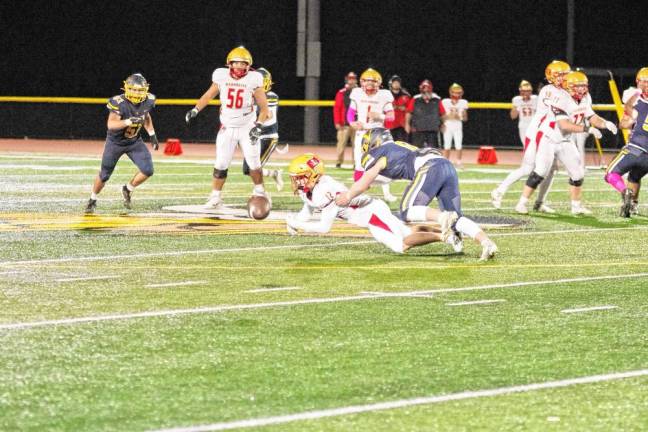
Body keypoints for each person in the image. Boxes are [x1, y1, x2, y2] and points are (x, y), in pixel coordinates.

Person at [336, 128, 498, 261]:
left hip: (430, 167)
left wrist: (348, 195)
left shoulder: (379, 152)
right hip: (446, 166)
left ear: (374, 142)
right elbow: (383, 177)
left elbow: (365, 181)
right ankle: (486, 242)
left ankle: (443, 218)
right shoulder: (397, 147)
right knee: (456, 218)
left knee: (408, 210)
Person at [285, 153, 442, 253]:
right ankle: (445, 230)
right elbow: (308, 211)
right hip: (371, 210)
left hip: (372, 214)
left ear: (313, 175)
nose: (297, 182)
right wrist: (296, 221)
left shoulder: (324, 191)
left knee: (401, 245)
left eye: (300, 177)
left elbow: (324, 228)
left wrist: (298, 224)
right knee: (407, 232)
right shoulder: (310, 190)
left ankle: (445, 236)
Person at [514, 71, 617, 215]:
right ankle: (521, 203)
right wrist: (588, 129)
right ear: (568, 87)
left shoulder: (585, 97)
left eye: (584, 86)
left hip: (565, 140)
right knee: (541, 171)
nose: (582, 89)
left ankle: (576, 207)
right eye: (578, 86)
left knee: (578, 173)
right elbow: (564, 125)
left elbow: (591, 116)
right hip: (548, 139)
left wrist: (605, 123)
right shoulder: (560, 98)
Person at [185, 46, 269, 208]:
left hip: (247, 126)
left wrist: (258, 126)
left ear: (248, 65)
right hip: (228, 127)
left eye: (243, 63)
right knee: (221, 163)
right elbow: (209, 95)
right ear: (229, 64)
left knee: (254, 163)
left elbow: (264, 108)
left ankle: (260, 192)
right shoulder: (221, 76)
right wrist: (195, 109)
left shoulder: (254, 79)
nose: (239, 66)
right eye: (235, 63)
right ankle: (215, 196)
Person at [491, 60, 572, 212]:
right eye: (560, 75)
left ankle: (540, 202)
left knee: (552, 169)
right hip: (537, 134)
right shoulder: (548, 90)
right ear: (551, 77)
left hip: (550, 134)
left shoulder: (562, 91)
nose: (564, 78)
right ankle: (499, 191)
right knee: (528, 168)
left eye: (565, 75)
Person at [85, 73, 158, 214]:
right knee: (105, 174)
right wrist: (128, 121)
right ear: (127, 89)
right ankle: (92, 199)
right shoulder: (119, 102)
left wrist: (152, 134)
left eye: (140, 90)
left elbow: (146, 116)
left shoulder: (148, 100)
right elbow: (111, 124)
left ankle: (127, 189)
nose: (137, 93)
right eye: (134, 90)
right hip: (115, 143)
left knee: (148, 170)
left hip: (135, 142)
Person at [347, 68, 397, 202]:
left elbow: (392, 117)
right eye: (367, 81)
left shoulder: (384, 95)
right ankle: (359, 192)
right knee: (359, 163)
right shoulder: (357, 93)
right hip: (362, 132)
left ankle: (386, 193)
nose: (369, 84)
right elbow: (351, 113)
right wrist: (352, 122)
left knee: (382, 163)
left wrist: (379, 116)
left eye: (372, 81)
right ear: (362, 82)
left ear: (378, 83)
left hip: (378, 133)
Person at [605, 67, 648, 217]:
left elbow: (624, 124)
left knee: (610, 174)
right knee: (635, 176)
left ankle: (625, 191)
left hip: (635, 149)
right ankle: (633, 206)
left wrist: (628, 120)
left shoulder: (635, 102)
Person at [241, 67, 283, 191]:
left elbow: (267, 114)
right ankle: (273, 174)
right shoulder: (251, 96)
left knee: (255, 169)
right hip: (255, 137)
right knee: (247, 170)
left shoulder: (271, 96)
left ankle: (261, 196)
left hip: (268, 137)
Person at [405, 80, 442, 148]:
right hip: (418, 129)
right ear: (421, 89)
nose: (426, 91)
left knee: (433, 150)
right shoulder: (415, 99)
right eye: (424, 89)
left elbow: (442, 113)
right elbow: (408, 112)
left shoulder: (437, 99)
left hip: (432, 130)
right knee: (416, 150)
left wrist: (443, 124)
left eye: (428, 89)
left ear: (431, 89)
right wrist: (407, 124)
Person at [333, 72, 358, 168]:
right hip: (344, 124)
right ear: (347, 80)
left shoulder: (360, 92)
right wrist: (337, 122)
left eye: (353, 79)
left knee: (357, 145)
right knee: (341, 143)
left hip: (356, 123)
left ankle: (356, 163)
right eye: (350, 79)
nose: (351, 80)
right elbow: (337, 108)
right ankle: (339, 161)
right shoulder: (341, 92)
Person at [441, 83, 469, 167]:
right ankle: (445, 162)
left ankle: (459, 162)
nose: (456, 94)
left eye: (458, 92)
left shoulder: (463, 102)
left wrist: (459, 116)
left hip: (457, 124)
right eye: (454, 92)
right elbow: (441, 115)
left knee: (458, 144)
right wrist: (444, 121)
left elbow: (465, 118)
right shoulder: (445, 101)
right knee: (447, 144)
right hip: (448, 124)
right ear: (451, 92)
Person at [510, 80, 538, 146]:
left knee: (535, 144)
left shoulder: (536, 99)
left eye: (527, 91)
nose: (525, 93)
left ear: (531, 91)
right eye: (523, 91)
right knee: (526, 145)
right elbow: (513, 116)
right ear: (520, 91)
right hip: (523, 125)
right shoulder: (516, 100)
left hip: (534, 124)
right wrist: (515, 107)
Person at [388, 75, 411, 142]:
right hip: (389, 125)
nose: (396, 84)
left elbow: (411, 110)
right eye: (394, 82)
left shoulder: (406, 96)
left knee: (401, 145)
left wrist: (405, 108)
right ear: (391, 84)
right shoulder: (386, 95)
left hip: (401, 125)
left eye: (398, 82)